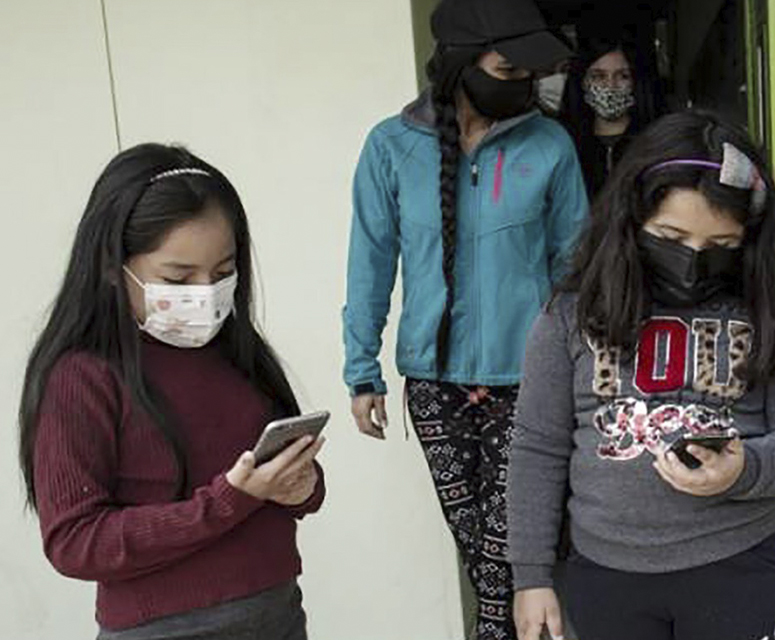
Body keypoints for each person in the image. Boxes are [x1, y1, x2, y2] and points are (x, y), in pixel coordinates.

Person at [507, 111, 775, 640]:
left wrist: (745, 469)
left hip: (736, 569)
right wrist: (531, 574)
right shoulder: (569, 315)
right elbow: (537, 447)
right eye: (669, 235)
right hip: (605, 575)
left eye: (720, 247)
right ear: (631, 219)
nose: (690, 262)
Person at [341, 0, 587, 638]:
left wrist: (581, 371)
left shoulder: (550, 144)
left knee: (514, 558)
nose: (523, 83)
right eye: (508, 68)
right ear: (459, 66)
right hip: (432, 386)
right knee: (481, 552)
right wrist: (360, 369)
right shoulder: (390, 147)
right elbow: (370, 262)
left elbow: (576, 271)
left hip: (530, 383)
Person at [19, 143, 325, 639]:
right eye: (178, 278)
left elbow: (282, 491)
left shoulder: (239, 353)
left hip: (279, 614)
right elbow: (74, 542)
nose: (206, 293)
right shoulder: (82, 377)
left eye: (223, 272)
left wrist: (300, 486)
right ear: (110, 267)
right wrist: (228, 500)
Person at [558, 35, 665, 199]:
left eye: (623, 76)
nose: (610, 85)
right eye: (598, 76)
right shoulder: (564, 144)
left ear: (636, 82)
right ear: (582, 82)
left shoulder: (657, 142)